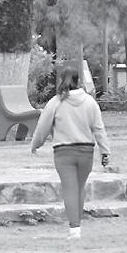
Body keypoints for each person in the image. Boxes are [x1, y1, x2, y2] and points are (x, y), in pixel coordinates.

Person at [30, 66, 110, 239]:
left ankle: (75, 229)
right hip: (86, 151)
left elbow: (42, 126)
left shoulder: (56, 102)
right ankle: (77, 226)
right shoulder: (90, 102)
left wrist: (36, 144)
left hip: (64, 152)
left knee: (69, 189)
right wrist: (105, 151)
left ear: (61, 79)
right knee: (79, 188)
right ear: (78, 80)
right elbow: (99, 128)